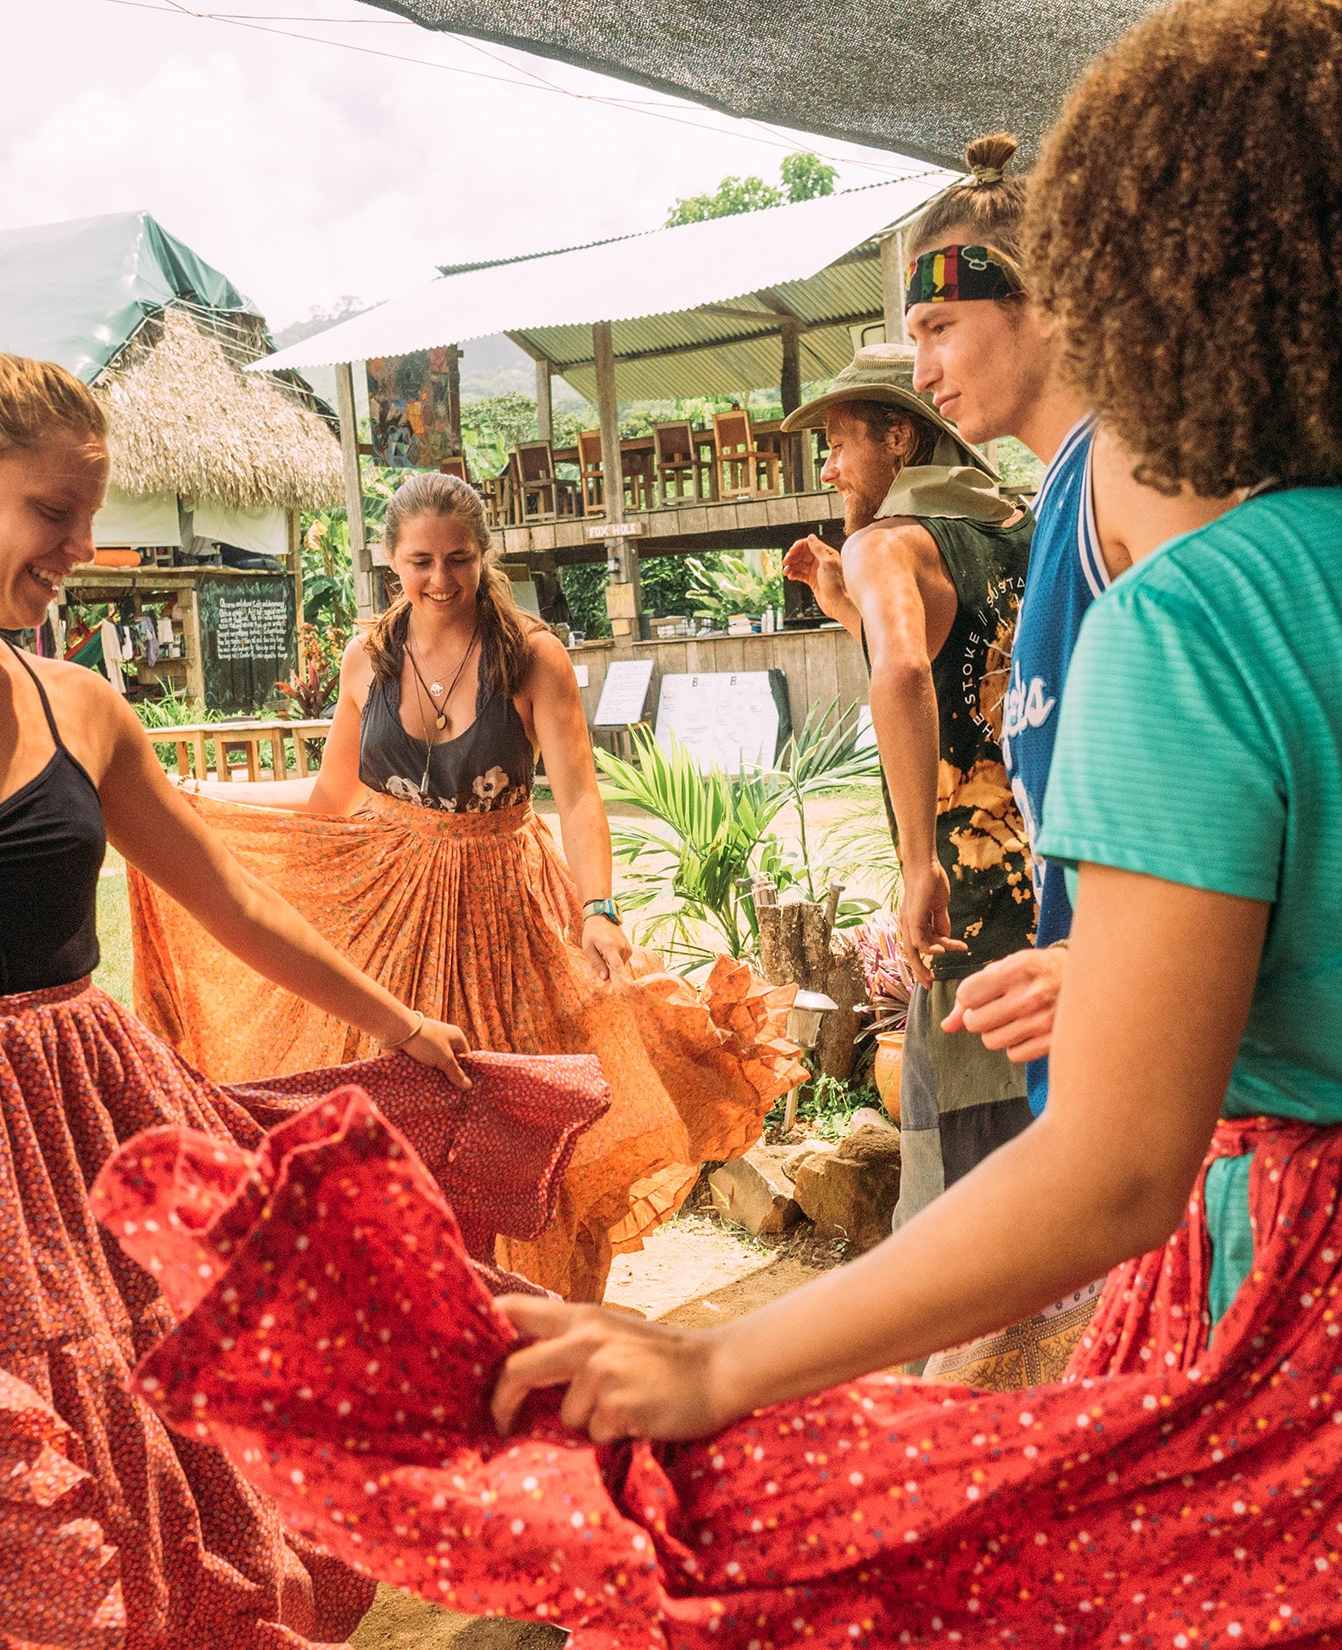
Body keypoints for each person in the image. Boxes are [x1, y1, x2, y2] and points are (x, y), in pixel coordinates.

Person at [70, 3, 1342, 1638]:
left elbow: (1111, 1175)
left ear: (1147, 278)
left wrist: (720, 1360)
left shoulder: (1197, 619)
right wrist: (1137, 980)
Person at [0, 352, 477, 1647]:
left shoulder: (81, 706)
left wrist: (398, 1022)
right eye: (53, 510)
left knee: (159, 1469)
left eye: (88, 510)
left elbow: (234, 901)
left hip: (96, 1140)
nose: (82, 543)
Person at [128, 472, 800, 1301]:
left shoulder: (531, 656)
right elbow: (331, 800)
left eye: (459, 560)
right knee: (383, 1104)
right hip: (387, 909)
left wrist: (598, 907)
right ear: (388, 560)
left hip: (503, 912)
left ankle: (526, 1323)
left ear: (484, 558)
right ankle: (403, 1324)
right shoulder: (366, 657)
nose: (440, 580)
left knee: (509, 1118)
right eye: (420, 562)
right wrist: (200, 806)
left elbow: (580, 794)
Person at [903, 137, 1236, 1117]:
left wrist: (1099, 962)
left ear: (1042, 301)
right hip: (1111, 1037)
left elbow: (1242, 745)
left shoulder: (1132, 466)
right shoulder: (1061, 495)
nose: (922, 370)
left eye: (939, 327)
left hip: (1179, 1061)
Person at [780, 348, 1036, 1243]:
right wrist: (843, 599)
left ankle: (981, 1370)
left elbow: (902, 674)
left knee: (969, 1181)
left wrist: (915, 859)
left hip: (964, 902)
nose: (830, 466)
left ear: (900, 435)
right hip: (1058, 888)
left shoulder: (886, 543)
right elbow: (964, 660)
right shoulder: (1022, 526)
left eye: (843, 443)